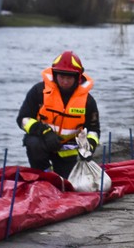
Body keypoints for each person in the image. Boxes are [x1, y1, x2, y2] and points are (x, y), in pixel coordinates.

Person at [17, 50, 100, 179]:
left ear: (78, 78)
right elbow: (23, 119)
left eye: (69, 78)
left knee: (69, 184)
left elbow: (94, 130)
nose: (65, 81)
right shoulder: (39, 91)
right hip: (43, 143)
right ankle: (45, 175)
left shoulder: (88, 101)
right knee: (33, 143)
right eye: (61, 77)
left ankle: (60, 175)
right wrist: (45, 132)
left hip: (70, 151)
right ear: (55, 75)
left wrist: (89, 147)